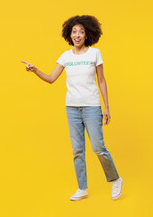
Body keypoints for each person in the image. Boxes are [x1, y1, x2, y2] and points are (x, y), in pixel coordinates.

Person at [21, 15, 123, 201]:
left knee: (98, 147)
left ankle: (115, 179)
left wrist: (106, 107)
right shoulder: (65, 56)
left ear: (87, 34)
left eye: (81, 32)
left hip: (91, 107)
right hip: (72, 108)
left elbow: (101, 80)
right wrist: (35, 70)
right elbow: (51, 79)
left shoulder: (95, 53)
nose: (77, 35)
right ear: (70, 34)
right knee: (77, 150)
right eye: (74, 31)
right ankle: (82, 188)